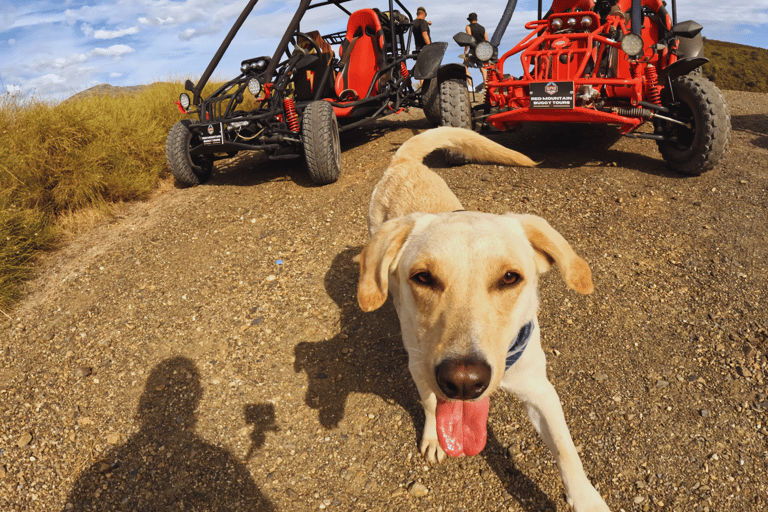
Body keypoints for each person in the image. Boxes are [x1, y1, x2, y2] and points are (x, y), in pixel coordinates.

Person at [464, 12, 489, 88]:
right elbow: (487, 40)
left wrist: (465, 51)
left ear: (469, 20)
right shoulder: (482, 28)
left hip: (472, 50)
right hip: (481, 50)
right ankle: (486, 85)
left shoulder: (468, 27)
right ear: (476, 19)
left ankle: (471, 86)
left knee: (465, 67)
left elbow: (469, 39)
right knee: (482, 68)